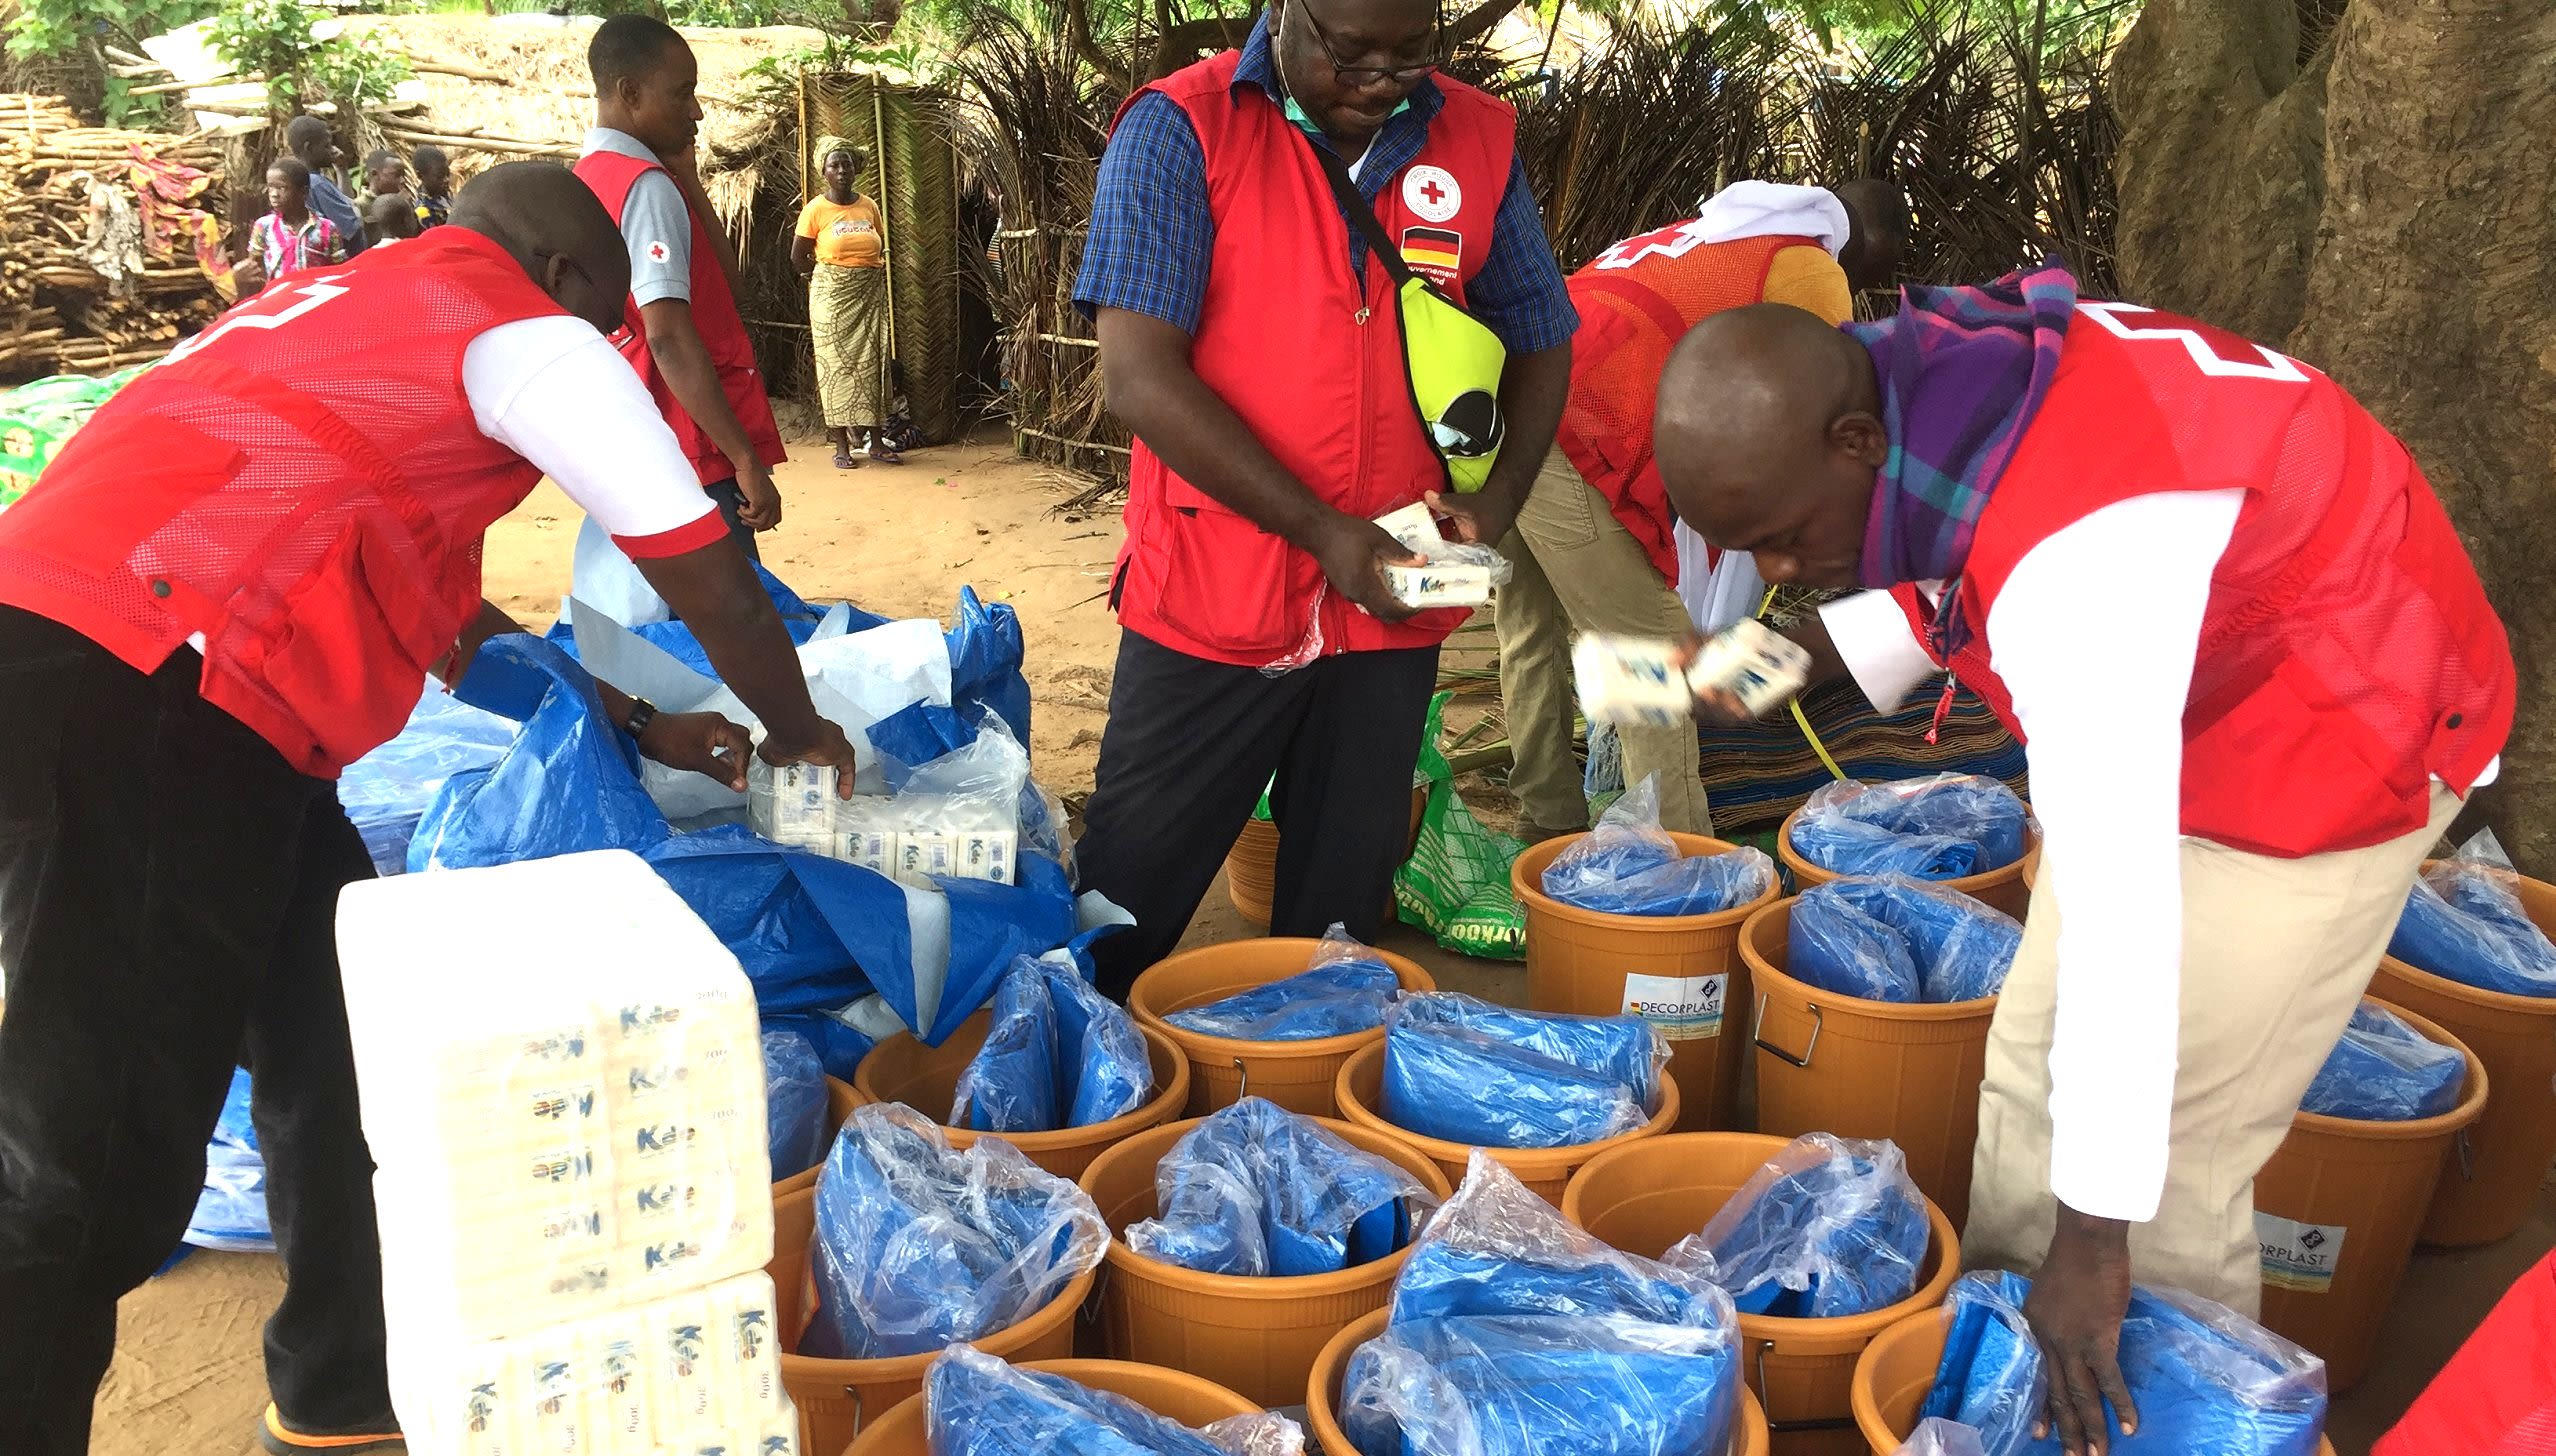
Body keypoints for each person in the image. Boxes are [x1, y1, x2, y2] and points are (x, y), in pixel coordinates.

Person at [0, 162, 860, 1456]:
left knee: (340, 1040)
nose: (613, 344)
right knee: (90, 1166)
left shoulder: (345, 307)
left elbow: (449, 628)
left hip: (169, 688)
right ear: (571, 278)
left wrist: (631, 721)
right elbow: (708, 576)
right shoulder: (526, 332)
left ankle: (345, 1387)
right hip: (145, 700)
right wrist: (800, 733)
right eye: (613, 317)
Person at [1650, 268, 2512, 1456]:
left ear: (1854, 440)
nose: (1782, 571)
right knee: (2032, 1060)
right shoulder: (1943, 387)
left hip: (2341, 719)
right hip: (2198, 671)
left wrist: (2098, 1247)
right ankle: (2024, 1390)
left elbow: (2123, 920)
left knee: (2178, 1149)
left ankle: (2172, 1415)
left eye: (1784, 539)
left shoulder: (2081, 568)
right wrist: (1797, 658)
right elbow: (1955, 557)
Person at [1070, 0, 1577, 997]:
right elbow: (1139, 377)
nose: (1383, 79)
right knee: (1126, 895)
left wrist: (1499, 498)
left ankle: (1308, 1111)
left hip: (1390, 600)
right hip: (1216, 589)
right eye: (1351, 53)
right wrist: (1320, 531)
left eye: (1412, 52)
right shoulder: (1182, 128)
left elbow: (1540, 330)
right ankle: (1055, 1110)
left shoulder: (1475, 134)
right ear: (1286, 13)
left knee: (1342, 911)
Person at [1498, 179, 1907, 840]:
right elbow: (1810, 424)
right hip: (1574, 423)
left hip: (1512, 389)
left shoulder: (1713, 234)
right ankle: (1675, 864)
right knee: (1650, 648)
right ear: (1868, 249)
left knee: (1530, 627)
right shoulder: (1809, 268)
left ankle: (1544, 827)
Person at [576, 13, 786, 561]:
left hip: (640, 437)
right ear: (630, 93)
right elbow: (667, 337)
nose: (696, 111)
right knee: (735, 620)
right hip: (692, 445)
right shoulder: (644, 190)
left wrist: (687, 180)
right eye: (683, 93)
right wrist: (743, 457)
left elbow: (730, 290)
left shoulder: (591, 177)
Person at [793, 137, 900, 468]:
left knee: (873, 365)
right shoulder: (815, 210)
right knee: (835, 369)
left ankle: (877, 443)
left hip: (868, 295)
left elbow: (879, 245)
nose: (841, 170)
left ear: (855, 170)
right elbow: (798, 258)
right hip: (832, 299)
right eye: (834, 165)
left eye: (847, 165)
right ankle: (841, 445)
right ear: (824, 172)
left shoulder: (869, 205)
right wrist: (828, 279)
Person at [248, 157, 344, 285]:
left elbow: (341, 270)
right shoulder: (264, 226)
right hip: (280, 300)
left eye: (281, 188)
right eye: (270, 187)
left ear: (303, 192)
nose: (274, 194)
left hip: (316, 297)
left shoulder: (327, 229)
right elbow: (254, 268)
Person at [283, 115, 366, 256]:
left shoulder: (301, 181)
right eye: (326, 145)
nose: (332, 149)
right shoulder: (316, 184)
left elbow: (344, 203)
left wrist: (342, 170)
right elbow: (351, 228)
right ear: (308, 148)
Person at [413, 144, 453, 230]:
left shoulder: (444, 194)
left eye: (448, 174)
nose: (446, 180)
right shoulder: (423, 211)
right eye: (440, 177)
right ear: (420, 175)